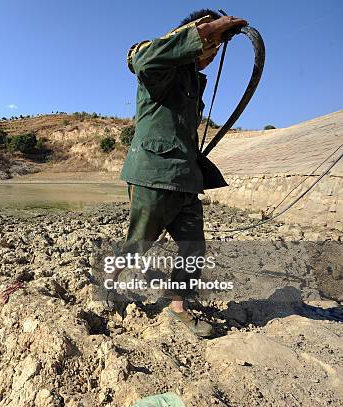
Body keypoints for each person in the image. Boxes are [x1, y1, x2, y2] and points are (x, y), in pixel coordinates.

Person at [120, 9, 248, 337]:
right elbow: (144, 60)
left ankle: (178, 305)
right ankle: (110, 286)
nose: (212, 51)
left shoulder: (192, 79)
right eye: (210, 43)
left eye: (216, 46)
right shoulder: (161, 67)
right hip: (154, 174)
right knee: (139, 244)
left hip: (185, 179)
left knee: (193, 248)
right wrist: (211, 29)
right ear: (193, 35)